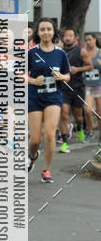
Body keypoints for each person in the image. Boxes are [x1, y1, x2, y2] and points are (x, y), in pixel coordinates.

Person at [27, 18, 70, 183]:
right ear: (38, 33)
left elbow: (68, 75)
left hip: (54, 96)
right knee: (35, 139)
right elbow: (20, 74)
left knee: (50, 134)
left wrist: (61, 77)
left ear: (54, 32)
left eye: (49, 29)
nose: (46, 32)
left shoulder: (60, 54)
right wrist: (32, 81)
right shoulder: (31, 53)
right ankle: (32, 156)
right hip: (35, 97)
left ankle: (46, 170)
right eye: (42, 29)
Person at [58, 29, 92, 149]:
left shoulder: (81, 51)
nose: (67, 38)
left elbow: (90, 66)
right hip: (64, 87)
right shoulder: (60, 52)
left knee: (78, 116)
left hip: (78, 87)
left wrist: (78, 69)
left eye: (70, 36)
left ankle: (79, 128)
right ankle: (65, 142)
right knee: (64, 115)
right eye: (65, 36)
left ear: (75, 38)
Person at [84, 32, 101, 142]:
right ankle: (90, 132)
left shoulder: (100, 53)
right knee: (87, 111)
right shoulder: (84, 53)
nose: (88, 42)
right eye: (86, 40)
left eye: (90, 39)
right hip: (87, 86)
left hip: (99, 85)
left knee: (99, 113)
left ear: (95, 39)